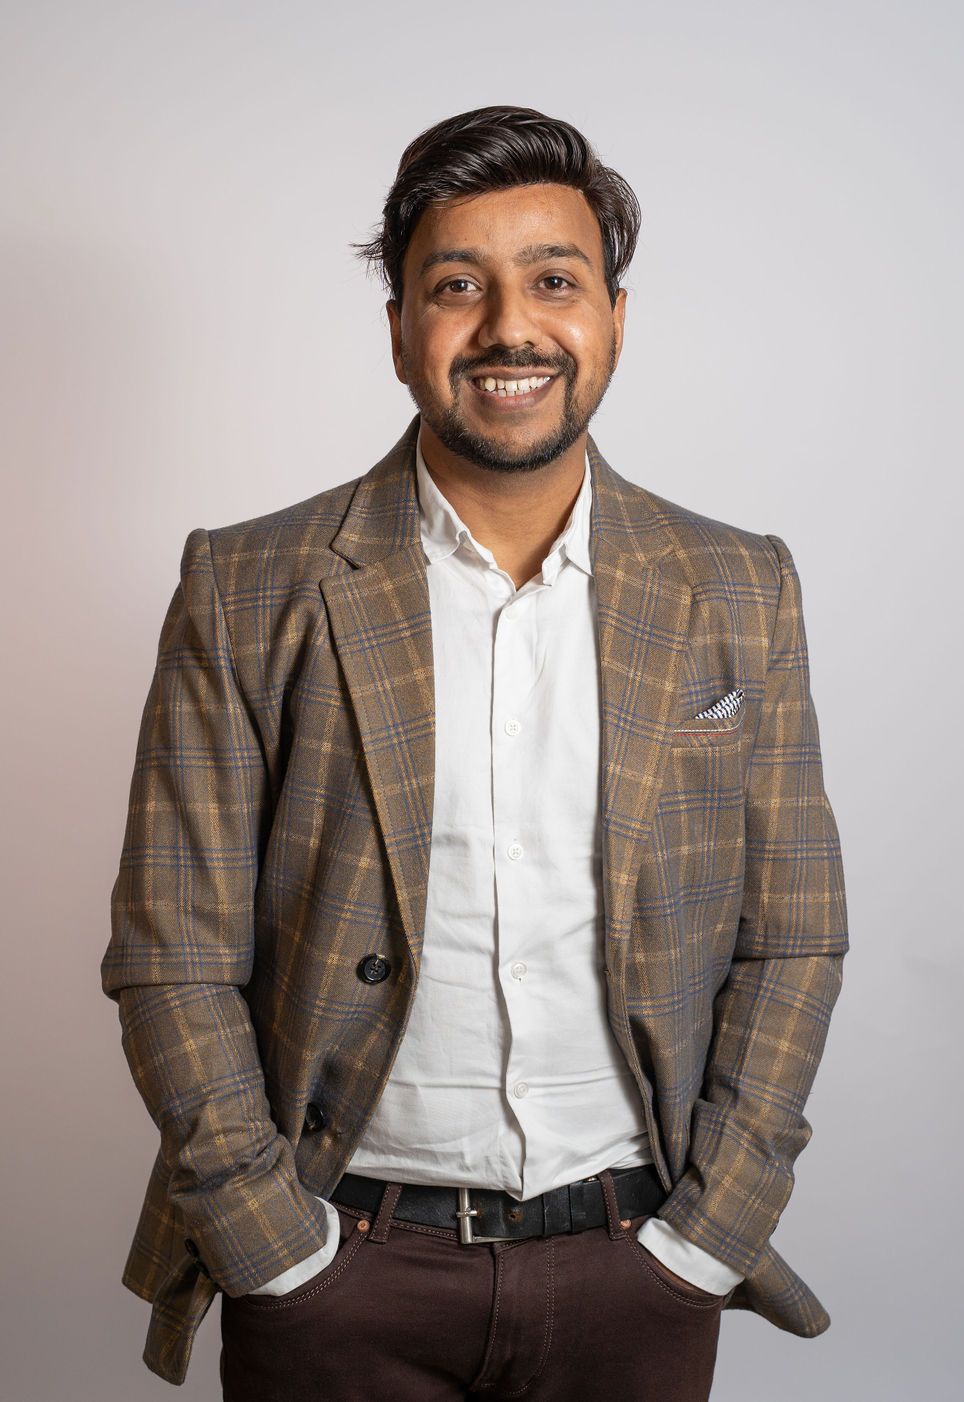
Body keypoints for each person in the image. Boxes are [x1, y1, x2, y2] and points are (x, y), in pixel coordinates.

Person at [101, 105, 849, 1400]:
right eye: (458, 286)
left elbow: (794, 935)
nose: (511, 326)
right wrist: (274, 1248)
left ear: (614, 317)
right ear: (400, 329)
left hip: (638, 1270)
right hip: (339, 1276)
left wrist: (708, 1235)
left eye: (555, 280)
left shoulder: (739, 586)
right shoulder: (249, 586)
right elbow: (173, 952)